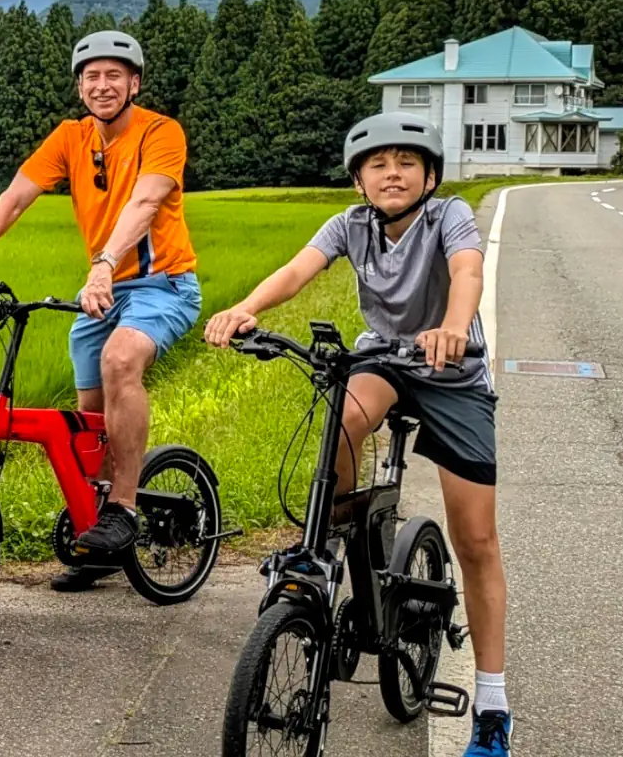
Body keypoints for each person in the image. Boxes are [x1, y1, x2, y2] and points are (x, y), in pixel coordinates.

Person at [205, 113, 511, 756]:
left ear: (429, 175)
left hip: (452, 371)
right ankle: (329, 548)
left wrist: (454, 325)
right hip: (385, 359)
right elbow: (296, 270)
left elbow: (468, 274)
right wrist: (247, 309)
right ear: (359, 181)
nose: (392, 172)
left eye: (406, 161)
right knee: (342, 415)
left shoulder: (447, 216)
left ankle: (491, 702)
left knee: (476, 538)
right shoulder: (350, 226)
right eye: (378, 163)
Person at [0, 29, 200, 592]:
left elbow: (147, 201)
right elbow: (13, 199)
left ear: (135, 82)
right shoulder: (70, 138)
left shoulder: (161, 132)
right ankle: (95, 529)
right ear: (80, 86)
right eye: (91, 77)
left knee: (120, 360)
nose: (102, 86)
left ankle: (123, 511)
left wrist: (104, 263)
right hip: (103, 292)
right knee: (90, 427)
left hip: (162, 285)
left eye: (114, 75)